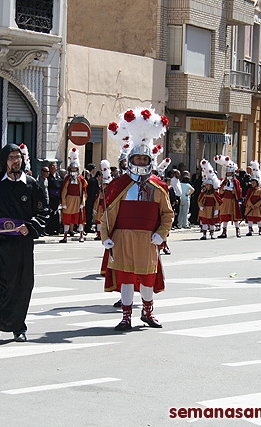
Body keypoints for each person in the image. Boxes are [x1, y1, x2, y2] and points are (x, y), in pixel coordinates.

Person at [101, 107, 174, 330]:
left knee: (147, 279)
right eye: (137, 158)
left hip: (148, 240)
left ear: (149, 160)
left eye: (145, 158)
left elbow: (167, 214)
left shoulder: (158, 187)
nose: (141, 161)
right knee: (125, 278)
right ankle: (125, 317)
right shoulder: (118, 185)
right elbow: (107, 215)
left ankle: (148, 312)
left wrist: (160, 235)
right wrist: (105, 237)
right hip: (122, 238)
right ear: (131, 159)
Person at [0, 144, 49, 344]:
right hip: (0, 243)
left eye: (18, 157)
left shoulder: (32, 184)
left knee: (21, 286)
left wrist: (30, 226)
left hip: (22, 244)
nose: (15, 160)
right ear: (4, 161)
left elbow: (43, 212)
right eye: (11, 157)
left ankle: (18, 327)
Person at [60, 148, 88, 243]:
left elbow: (84, 191)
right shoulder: (67, 178)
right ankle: (65, 236)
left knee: (80, 218)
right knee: (66, 218)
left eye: (75, 168)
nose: (73, 170)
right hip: (68, 200)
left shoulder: (81, 179)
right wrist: (63, 202)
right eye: (72, 168)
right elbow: (64, 191)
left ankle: (81, 235)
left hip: (77, 200)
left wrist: (82, 202)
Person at [214, 155, 242, 238]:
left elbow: (238, 191)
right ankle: (224, 232)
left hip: (232, 201)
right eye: (227, 173)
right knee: (224, 216)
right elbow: (221, 191)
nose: (228, 174)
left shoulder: (236, 181)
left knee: (235, 216)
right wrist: (224, 188)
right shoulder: (225, 181)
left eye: (230, 173)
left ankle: (237, 230)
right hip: (225, 200)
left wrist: (231, 190)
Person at [198, 159, 221, 240]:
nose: (206, 187)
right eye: (206, 185)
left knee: (212, 222)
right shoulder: (203, 193)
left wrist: (217, 210)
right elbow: (199, 200)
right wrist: (200, 206)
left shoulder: (214, 193)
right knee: (204, 221)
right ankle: (204, 235)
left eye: (208, 185)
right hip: (205, 209)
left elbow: (218, 202)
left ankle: (212, 234)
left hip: (212, 209)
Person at [244, 161, 261, 236]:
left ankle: (260, 229)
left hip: (257, 207)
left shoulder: (260, 190)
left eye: (254, 183)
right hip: (250, 206)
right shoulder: (250, 190)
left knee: (258, 219)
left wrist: (255, 205)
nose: (252, 184)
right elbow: (248, 199)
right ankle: (250, 230)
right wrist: (250, 205)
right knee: (250, 218)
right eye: (252, 183)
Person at [85, 163, 99, 233]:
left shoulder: (91, 177)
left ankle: (88, 226)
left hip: (89, 198)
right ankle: (87, 227)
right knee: (88, 213)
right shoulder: (92, 179)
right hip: (90, 198)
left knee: (89, 213)